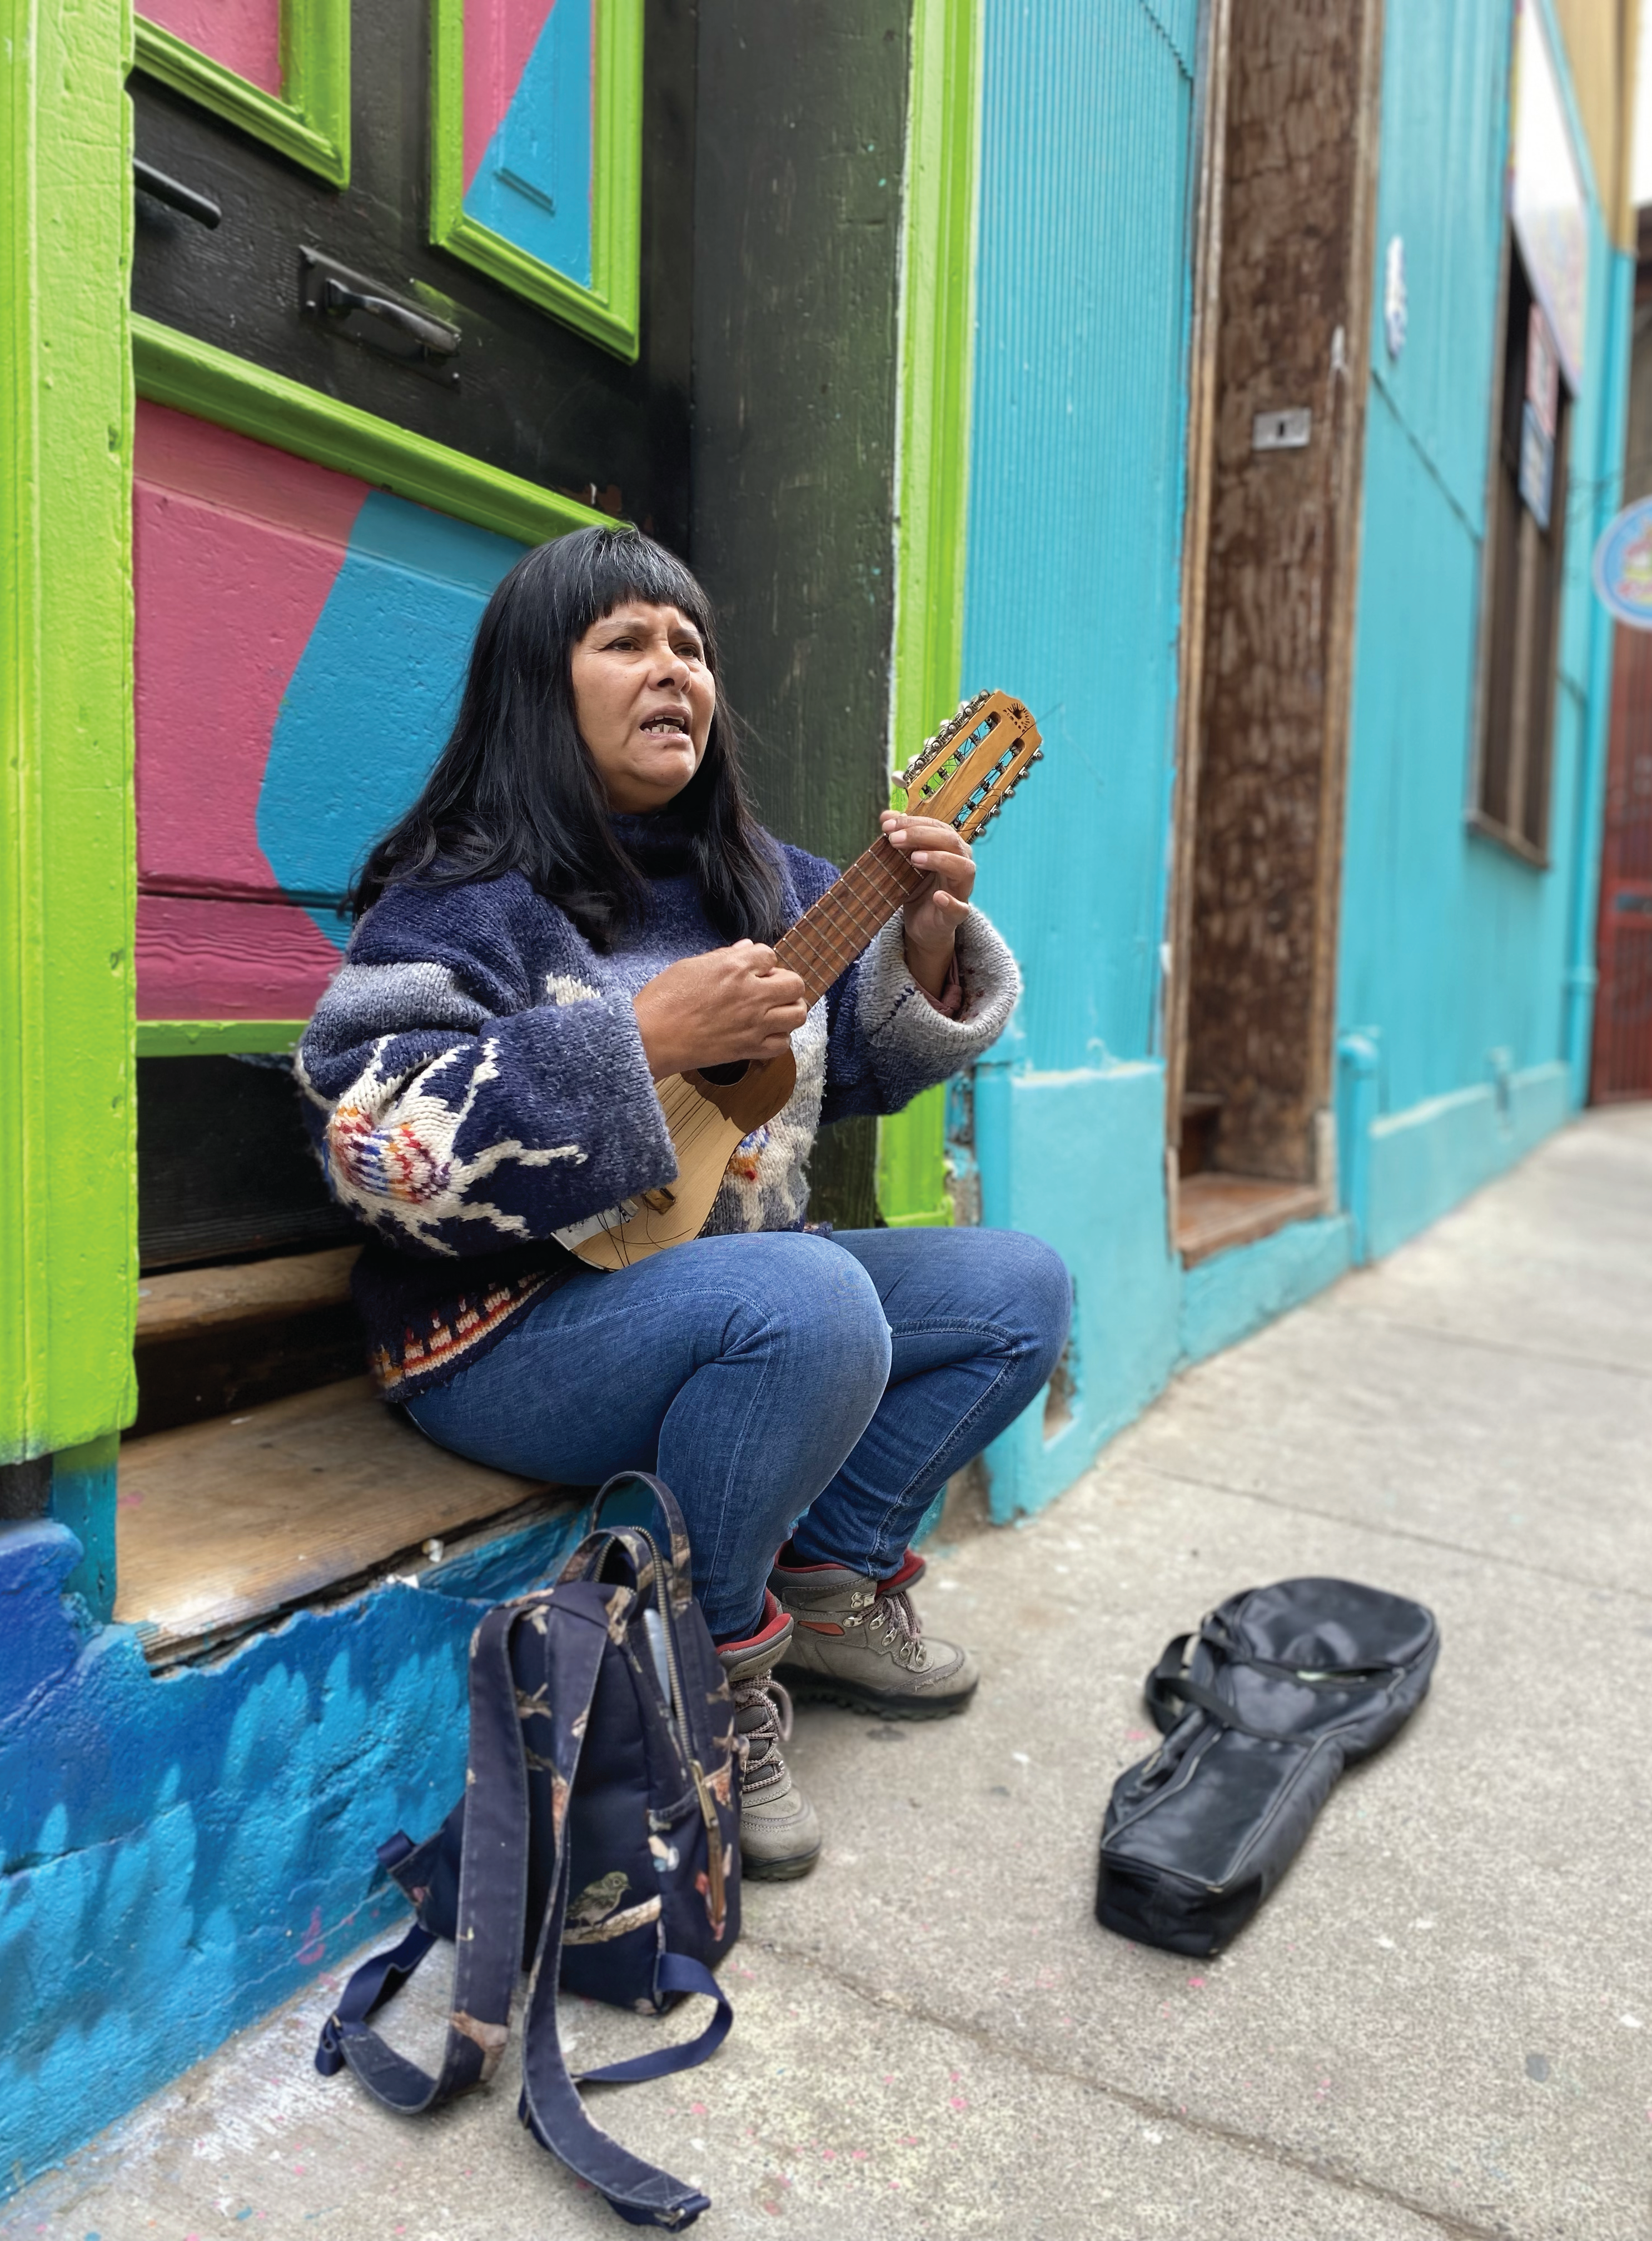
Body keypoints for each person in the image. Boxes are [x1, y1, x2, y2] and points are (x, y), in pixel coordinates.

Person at [295, 525, 1071, 1881]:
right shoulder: (462, 902)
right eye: (626, 642)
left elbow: (864, 1069)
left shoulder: (772, 885)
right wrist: (633, 1035)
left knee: (1019, 1291)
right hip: (507, 1325)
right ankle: (696, 1668)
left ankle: (829, 1583)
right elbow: (374, 1150)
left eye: (692, 646)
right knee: (811, 1300)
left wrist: (930, 941)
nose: (675, 673)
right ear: (540, 685)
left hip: (729, 1296)